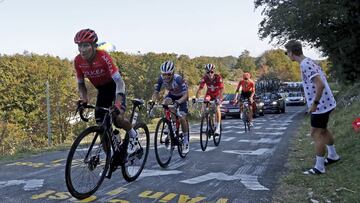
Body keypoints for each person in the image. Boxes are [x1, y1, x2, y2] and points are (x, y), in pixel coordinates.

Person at [73, 28, 139, 154]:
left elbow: (119, 82)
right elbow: (81, 84)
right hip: (103, 91)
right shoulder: (77, 61)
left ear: (94, 46)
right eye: (80, 46)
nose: (82, 49)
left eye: (86, 45)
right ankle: (111, 158)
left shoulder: (103, 57)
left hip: (115, 88)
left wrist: (118, 105)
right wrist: (84, 99)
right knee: (102, 127)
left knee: (118, 119)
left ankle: (133, 134)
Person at [285, 40, 340, 175]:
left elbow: (319, 84)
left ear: (292, 53)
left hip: (321, 104)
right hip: (327, 102)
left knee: (315, 134)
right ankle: (333, 156)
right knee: (323, 130)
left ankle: (319, 167)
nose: (287, 55)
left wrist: (314, 104)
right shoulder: (309, 61)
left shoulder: (305, 65)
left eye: (287, 53)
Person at [151, 61, 190, 153]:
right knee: (166, 102)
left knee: (182, 118)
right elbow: (156, 92)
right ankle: (171, 125)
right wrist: (152, 101)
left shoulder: (178, 79)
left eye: (168, 74)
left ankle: (185, 140)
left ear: (172, 73)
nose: (166, 77)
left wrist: (178, 102)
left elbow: (186, 95)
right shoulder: (161, 78)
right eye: (164, 74)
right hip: (172, 95)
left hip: (182, 97)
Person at [195, 64, 224, 135]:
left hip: (217, 95)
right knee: (205, 107)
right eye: (208, 72)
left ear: (214, 71)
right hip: (209, 94)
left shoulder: (218, 77)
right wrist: (196, 98)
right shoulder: (205, 78)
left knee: (217, 108)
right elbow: (200, 89)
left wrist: (219, 98)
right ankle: (208, 125)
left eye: (211, 72)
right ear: (206, 72)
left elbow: (222, 89)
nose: (210, 74)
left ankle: (218, 127)